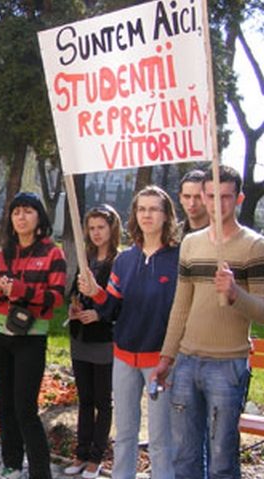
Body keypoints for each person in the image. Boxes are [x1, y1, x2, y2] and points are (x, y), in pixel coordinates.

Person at [153, 166, 264, 478]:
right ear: (203, 197)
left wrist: (234, 293)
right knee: (185, 458)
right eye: (212, 196)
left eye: (227, 197)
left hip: (227, 365)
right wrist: (167, 356)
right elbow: (181, 304)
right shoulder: (191, 244)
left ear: (239, 198)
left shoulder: (254, 246)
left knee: (221, 460)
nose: (219, 204)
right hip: (187, 361)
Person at [79, 185, 180, 479]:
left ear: (166, 215)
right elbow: (111, 309)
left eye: (154, 209)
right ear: (135, 214)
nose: (147, 215)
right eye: (141, 209)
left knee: (161, 438)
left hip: (159, 360)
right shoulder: (124, 260)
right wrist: (97, 294)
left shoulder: (178, 259)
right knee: (124, 433)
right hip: (123, 357)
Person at [0, 192, 66, 478]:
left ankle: (40, 472)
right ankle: (11, 464)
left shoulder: (52, 253)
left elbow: (56, 299)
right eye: (16, 211)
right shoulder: (2, 253)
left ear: (39, 217)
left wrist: (18, 291)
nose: (21, 217)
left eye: (28, 211)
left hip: (30, 338)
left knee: (25, 408)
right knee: (5, 406)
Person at [63, 205, 121, 479]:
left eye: (101, 227)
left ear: (112, 229)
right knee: (84, 399)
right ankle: (81, 451)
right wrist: (73, 307)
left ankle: (96, 457)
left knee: (102, 400)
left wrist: (98, 314)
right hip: (81, 337)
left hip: (104, 340)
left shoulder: (118, 261)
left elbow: (120, 302)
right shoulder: (85, 258)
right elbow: (74, 291)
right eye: (92, 228)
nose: (96, 233)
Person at [178, 169, 209, 238]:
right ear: (180, 198)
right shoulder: (173, 236)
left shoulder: (221, 234)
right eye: (187, 197)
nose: (192, 203)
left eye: (198, 197)